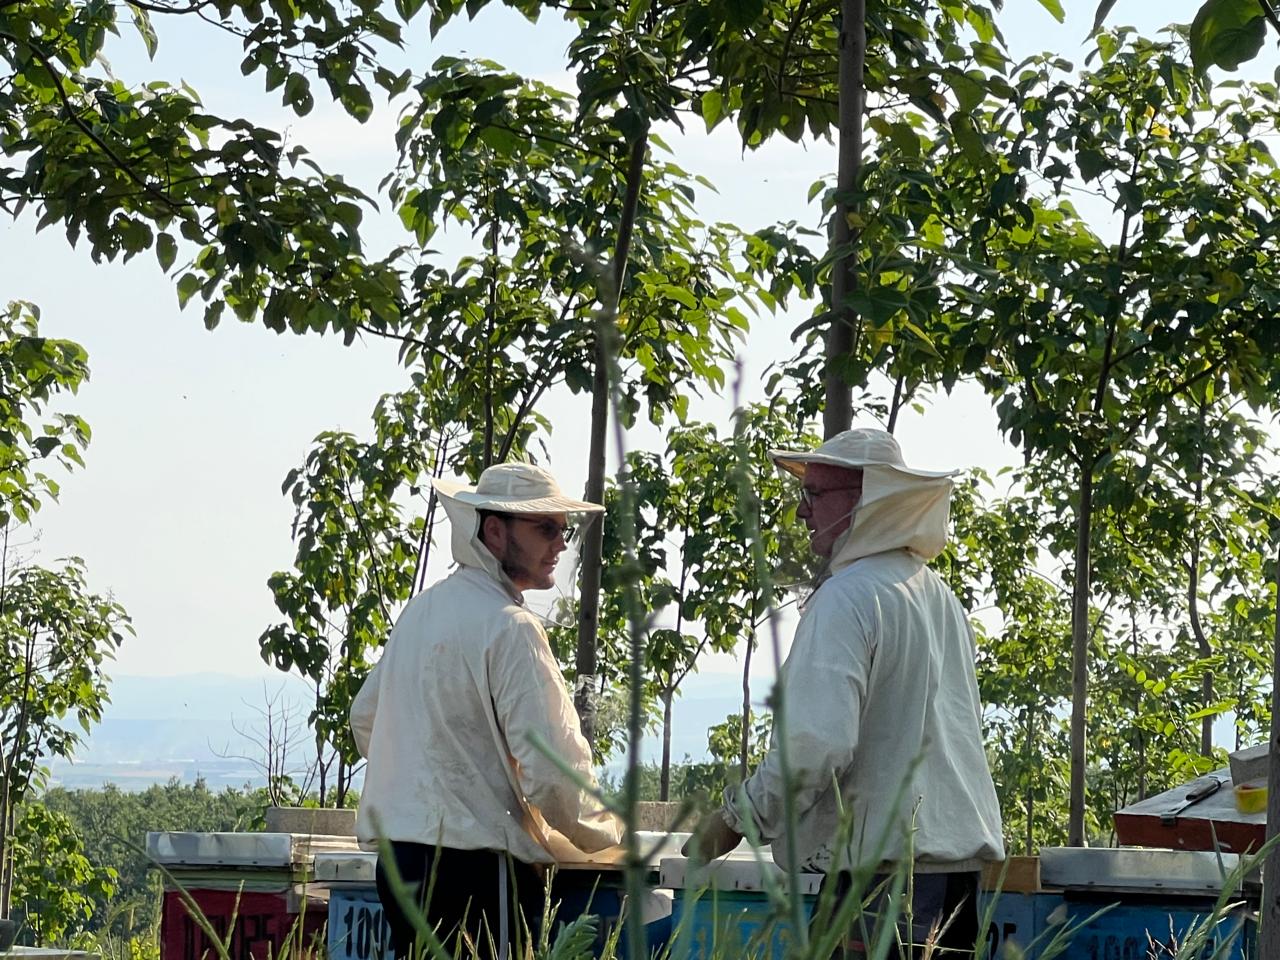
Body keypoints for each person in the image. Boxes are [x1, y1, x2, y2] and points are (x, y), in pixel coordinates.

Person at [684, 428, 1004, 958]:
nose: (802, 512)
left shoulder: (847, 597)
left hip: (878, 878)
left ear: (866, 499)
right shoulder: (940, 597)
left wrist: (739, 818)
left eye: (814, 494)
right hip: (953, 876)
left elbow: (814, 746)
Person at [351, 461, 622, 960]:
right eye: (545, 529)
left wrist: (430, 781)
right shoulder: (512, 627)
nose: (560, 545)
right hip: (475, 873)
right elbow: (553, 772)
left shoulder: (421, 611)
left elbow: (366, 719)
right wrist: (608, 833)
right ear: (494, 531)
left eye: (563, 531)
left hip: (400, 863)